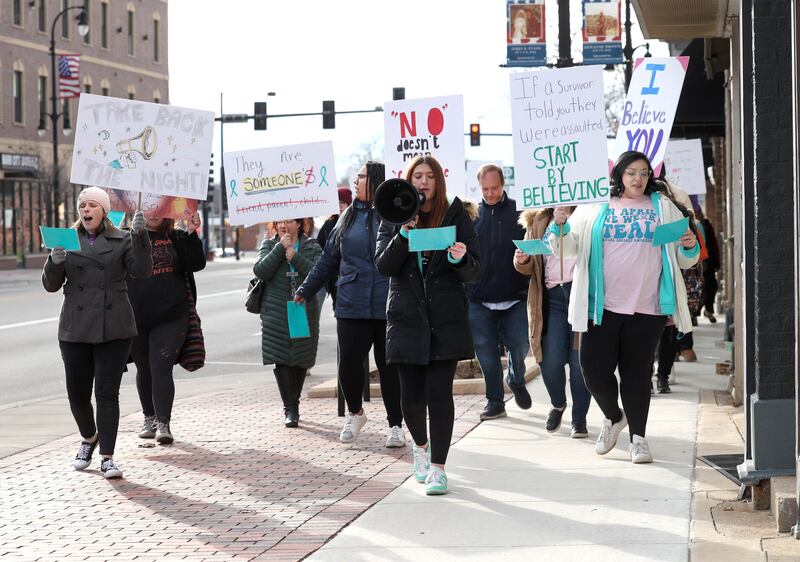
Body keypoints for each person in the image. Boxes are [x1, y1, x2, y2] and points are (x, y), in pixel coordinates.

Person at [550, 151, 699, 464]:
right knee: (591, 368)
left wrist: (689, 244)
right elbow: (568, 249)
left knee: (637, 374)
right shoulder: (595, 206)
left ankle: (639, 439)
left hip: (649, 307)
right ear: (618, 174)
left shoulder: (664, 206)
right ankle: (614, 416)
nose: (638, 179)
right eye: (631, 172)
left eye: (644, 173)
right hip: (602, 307)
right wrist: (560, 226)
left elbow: (684, 259)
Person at [375, 155, 481, 495]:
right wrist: (402, 236)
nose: (423, 182)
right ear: (408, 181)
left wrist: (460, 257)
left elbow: (474, 269)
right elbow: (383, 265)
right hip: (406, 319)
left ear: (439, 181)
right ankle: (420, 448)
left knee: (439, 394)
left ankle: (438, 469)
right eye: (417, 176)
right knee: (410, 399)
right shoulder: (392, 214)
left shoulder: (455, 214)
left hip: (444, 319)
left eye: (429, 176)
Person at [42, 187, 152, 479]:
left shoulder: (122, 238)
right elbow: (51, 285)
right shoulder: (66, 240)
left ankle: (107, 457)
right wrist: (54, 261)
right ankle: (89, 437)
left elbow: (141, 271)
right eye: (82, 206)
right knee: (77, 395)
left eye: (92, 205)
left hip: (113, 327)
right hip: (74, 329)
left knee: (106, 394)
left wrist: (141, 237)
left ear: (103, 210)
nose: (86, 210)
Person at [296, 161, 405, 447]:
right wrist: (306, 289)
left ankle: (396, 425)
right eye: (357, 176)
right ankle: (355, 413)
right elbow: (328, 260)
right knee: (349, 365)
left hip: (386, 302)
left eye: (361, 176)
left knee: (389, 367)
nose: (356, 181)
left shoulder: (394, 214)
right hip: (351, 302)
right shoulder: (346, 218)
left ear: (375, 181)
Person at [128, 212, 206, 445]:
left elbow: (197, 263)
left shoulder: (178, 237)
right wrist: (135, 234)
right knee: (144, 368)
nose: (153, 214)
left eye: (158, 208)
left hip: (172, 314)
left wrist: (193, 234)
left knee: (160, 366)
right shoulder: (127, 237)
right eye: (149, 208)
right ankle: (149, 418)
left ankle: (163, 423)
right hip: (136, 316)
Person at [514, 205, 592, 438]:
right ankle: (558, 403)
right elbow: (525, 264)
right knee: (549, 360)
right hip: (552, 298)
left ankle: (579, 419)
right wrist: (522, 258)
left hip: (580, 295)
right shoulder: (539, 220)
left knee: (579, 364)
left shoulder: (587, 215)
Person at [466, 164, 531, 421]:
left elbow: (532, 249)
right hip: (478, 297)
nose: (491, 193)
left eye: (495, 188)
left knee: (518, 345)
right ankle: (494, 401)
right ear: (478, 186)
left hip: (514, 294)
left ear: (503, 184)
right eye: (485, 189)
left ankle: (515, 378)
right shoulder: (470, 215)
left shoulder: (521, 213)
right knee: (487, 355)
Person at [253, 218, 322, 427]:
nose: (284, 226)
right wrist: (279, 249)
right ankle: (290, 408)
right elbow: (260, 270)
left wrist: (296, 257)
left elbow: (320, 273)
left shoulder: (311, 246)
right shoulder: (268, 244)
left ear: (300, 224)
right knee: (281, 357)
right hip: (275, 310)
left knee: (301, 357)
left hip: (303, 308)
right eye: (280, 222)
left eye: (289, 221)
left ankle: (295, 401)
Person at [315, 186, 353, 307]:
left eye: (343, 203)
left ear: (349, 204)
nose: (340, 206)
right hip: (333, 279)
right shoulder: (329, 224)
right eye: (337, 203)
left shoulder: (355, 221)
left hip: (351, 276)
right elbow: (319, 248)